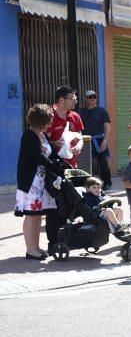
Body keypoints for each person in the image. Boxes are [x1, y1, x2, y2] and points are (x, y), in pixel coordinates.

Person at [45, 86, 84, 253]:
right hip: (53, 168)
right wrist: (54, 143)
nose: (75, 100)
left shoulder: (74, 116)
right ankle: (53, 243)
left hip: (71, 167)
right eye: (72, 97)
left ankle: (65, 240)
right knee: (54, 207)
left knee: (68, 205)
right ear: (61, 100)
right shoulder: (49, 116)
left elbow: (81, 136)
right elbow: (42, 139)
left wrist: (80, 146)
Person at [16, 104, 58, 260]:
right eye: (48, 121)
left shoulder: (42, 135)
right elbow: (38, 157)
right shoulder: (29, 135)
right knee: (31, 215)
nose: (50, 124)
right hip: (31, 182)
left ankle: (36, 247)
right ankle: (30, 249)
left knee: (38, 214)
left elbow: (49, 154)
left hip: (41, 181)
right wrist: (53, 166)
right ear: (40, 121)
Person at [79, 90, 112, 189]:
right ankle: (88, 184)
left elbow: (107, 126)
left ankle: (107, 182)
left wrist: (105, 141)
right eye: (90, 97)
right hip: (86, 140)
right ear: (85, 98)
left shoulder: (102, 111)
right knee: (86, 164)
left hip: (100, 140)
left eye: (94, 96)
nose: (92, 98)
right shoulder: (81, 112)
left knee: (103, 163)